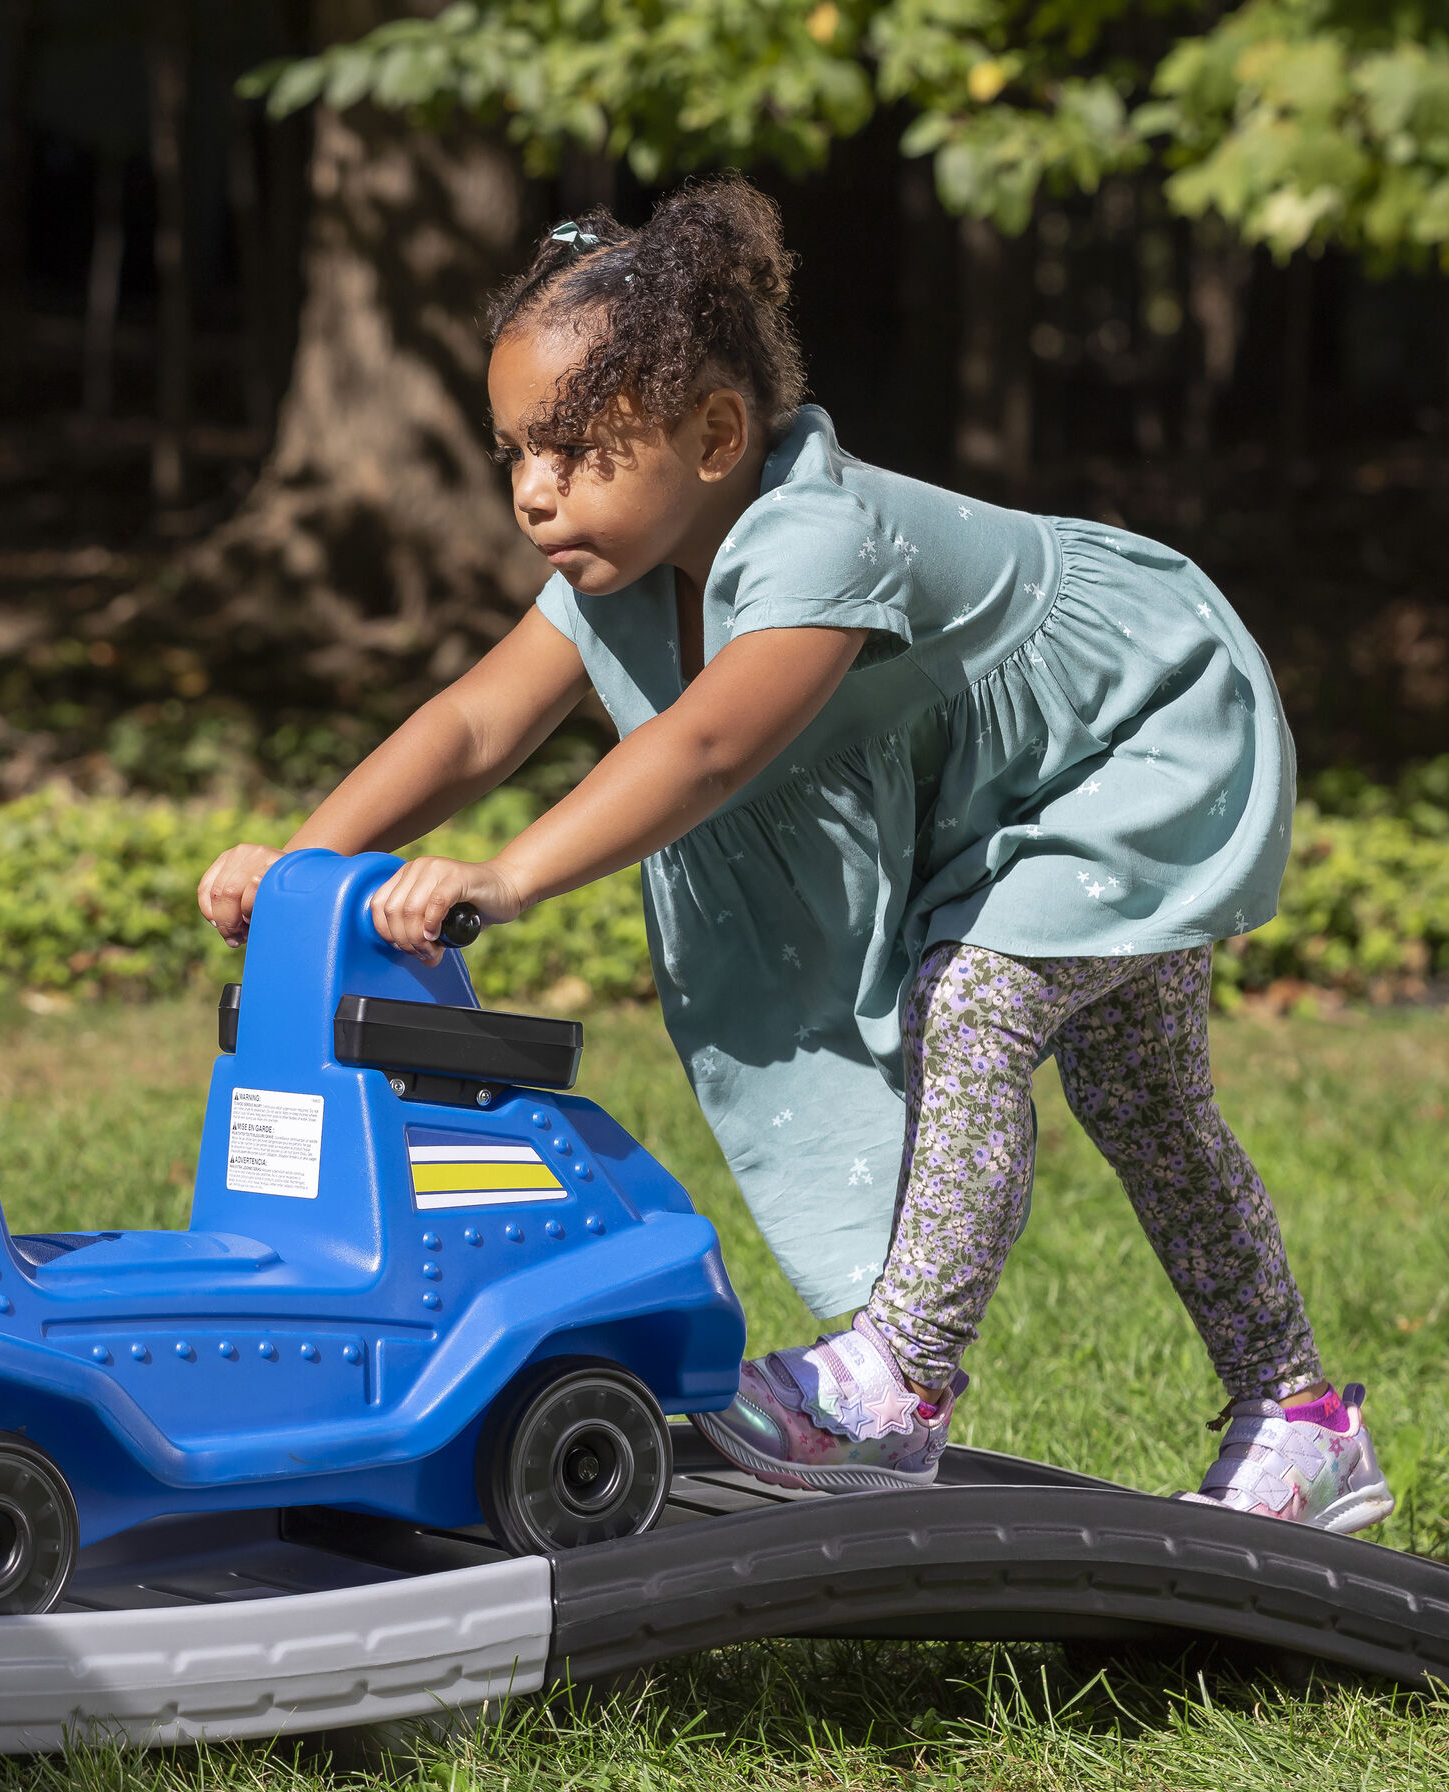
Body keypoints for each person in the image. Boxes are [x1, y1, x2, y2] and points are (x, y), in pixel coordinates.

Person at [196, 179, 1392, 1535]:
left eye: (576, 450)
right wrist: (302, 866)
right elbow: (477, 721)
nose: (533, 493)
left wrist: (507, 876)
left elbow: (707, 750)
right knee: (1152, 1109)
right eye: (515, 452)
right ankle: (1305, 1424)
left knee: (982, 1004)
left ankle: (898, 1385)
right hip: (1025, 799)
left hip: (1144, 732)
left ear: (715, 435)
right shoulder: (625, 571)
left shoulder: (821, 537)